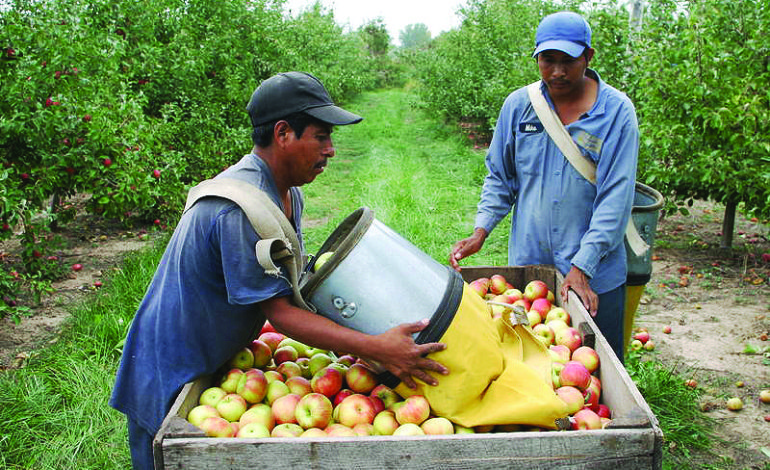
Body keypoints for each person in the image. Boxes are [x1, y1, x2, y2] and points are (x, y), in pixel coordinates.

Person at [110, 71, 448, 470]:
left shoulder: (287, 196)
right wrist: (374, 347)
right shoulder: (239, 209)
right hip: (171, 369)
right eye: (321, 137)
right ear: (284, 133)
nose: (331, 150)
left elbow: (290, 283)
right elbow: (282, 313)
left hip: (218, 362)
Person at [449, 12, 639, 363]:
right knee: (528, 364)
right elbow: (499, 177)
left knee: (598, 371)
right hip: (530, 267)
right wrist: (482, 229)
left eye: (568, 61)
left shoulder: (616, 113)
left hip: (593, 273)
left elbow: (616, 197)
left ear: (589, 57)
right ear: (536, 58)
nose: (557, 71)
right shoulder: (519, 107)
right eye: (547, 60)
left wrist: (583, 267)